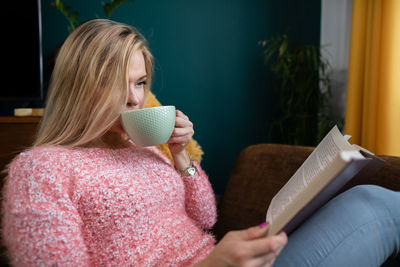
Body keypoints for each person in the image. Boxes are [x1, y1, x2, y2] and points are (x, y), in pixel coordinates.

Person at [1, 19, 399, 267]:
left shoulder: (145, 148)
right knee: (374, 203)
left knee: (368, 195)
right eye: (113, 84)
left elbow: (206, 217)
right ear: (77, 88)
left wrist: (180, 157)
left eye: (139, 82)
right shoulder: (43, 168)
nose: (134, 99)